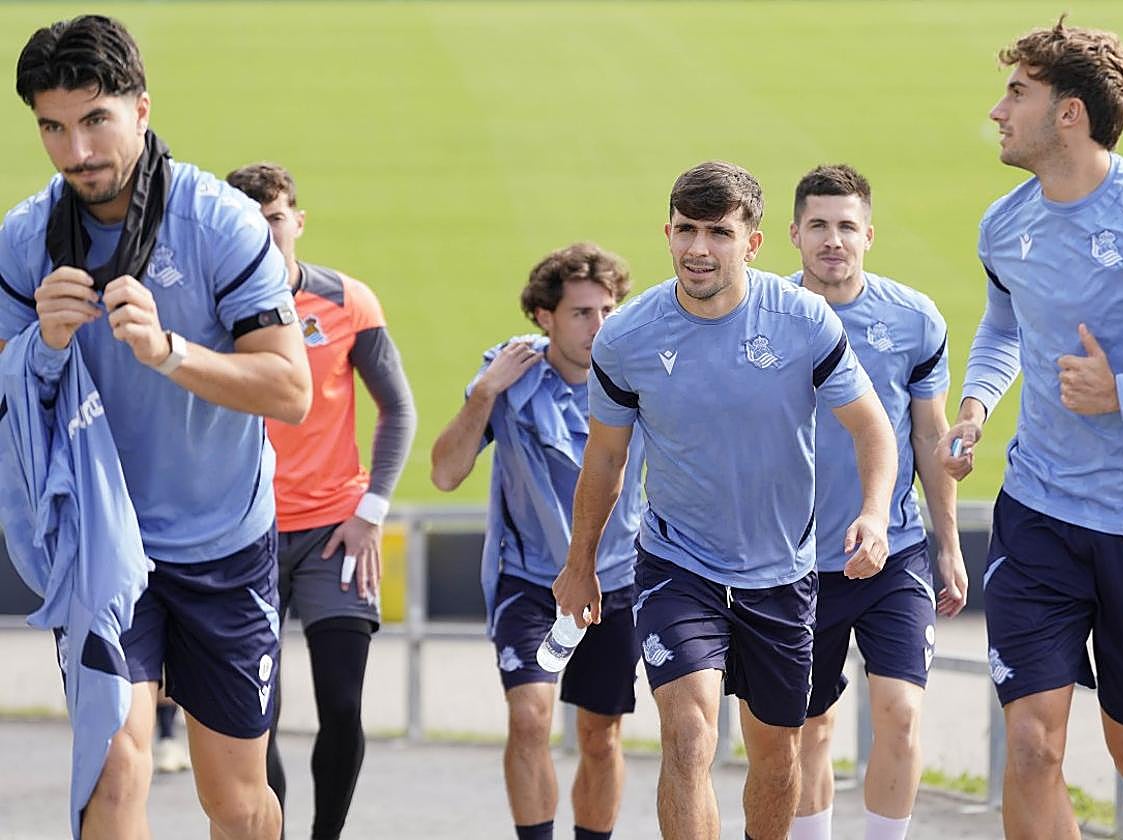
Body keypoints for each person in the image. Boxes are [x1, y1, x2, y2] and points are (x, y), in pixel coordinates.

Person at [0, 15, 311, 840]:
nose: (76, 151)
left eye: (96, 118)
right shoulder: (25, 240)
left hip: (222, 543)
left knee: (237, 803)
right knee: (113, 773)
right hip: (102, 546)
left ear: (141, 109)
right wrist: (40, 348)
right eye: (53, 128)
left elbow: (290, 388)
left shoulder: (220, 224)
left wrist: (171, 352)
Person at [553, 161, 899, 840]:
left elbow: (871, 427)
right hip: (678, 565)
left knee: (776, 757)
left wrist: (874, 513)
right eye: (686, 230)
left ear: (753, 242)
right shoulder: (628, 338)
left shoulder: (803, 320)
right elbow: (606, 456)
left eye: (718, 232)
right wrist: (580, 561)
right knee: (687, 736)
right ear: (667, 232)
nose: (698, 249)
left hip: (782, 571)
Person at [940, 17, 1123, 840]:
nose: (996, 110)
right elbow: (1004, 329)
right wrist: (978, 403)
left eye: (1017, 93)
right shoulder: (1004, 225)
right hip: (1038, 511)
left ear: (1070, 115)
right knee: (1030, 746)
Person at [227, 163, 417, 839]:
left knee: (341, 704)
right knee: (256, 716)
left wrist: (372, 510)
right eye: (248, 222)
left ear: (297, 222)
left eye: (275, 219)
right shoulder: (211, 307)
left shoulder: (348, 302)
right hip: (240, 535)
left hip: (334, 535)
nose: (264, 233)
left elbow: (397, 408)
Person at [430, 242, 643, 840]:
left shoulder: (637, 374)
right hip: (530, 583)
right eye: (582, 312)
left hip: (615, 582)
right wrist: (482, 395)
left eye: (608, 310)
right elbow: (445, 474)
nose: (599, 326)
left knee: (600, 737)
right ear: (544, 317)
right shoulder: (510, 376)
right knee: (529, 717)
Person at [784, 164, 968, 840]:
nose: (834, 240)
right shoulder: (765, 313)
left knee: (900, 713)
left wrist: (947, 545)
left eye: (847, 226)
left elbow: (929, 435)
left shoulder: (913, 317)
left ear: (869, 234)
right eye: (820, 226)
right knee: (810, 725)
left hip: (893, 552)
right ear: (795, 233)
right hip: (794, 562)